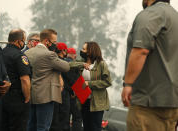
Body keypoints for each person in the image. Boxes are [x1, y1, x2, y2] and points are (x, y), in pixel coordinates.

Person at [121, 0, 178, 130]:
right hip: (172, 105)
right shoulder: (175, 17)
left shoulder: (150, 15)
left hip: (147, 104)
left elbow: (141, 50)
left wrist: (128, 84)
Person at [25, 29, 70, 131]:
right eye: (54, 42)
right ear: (46, 41)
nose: (56, 45)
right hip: (46, 95)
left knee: (31, 126)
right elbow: (66, 67)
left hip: (31, 93)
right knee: (43, 127)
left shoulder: (28, 52)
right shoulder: (50, 54)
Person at [70, 42, 112, 131]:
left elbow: (107, 82)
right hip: (84, 100)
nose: (81, 50)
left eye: (84, 49)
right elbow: (69, 65)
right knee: (86, 127)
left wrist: (89, 83)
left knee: (95, 128)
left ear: (90, 51)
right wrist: (82, 64)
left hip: (97, 103)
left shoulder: (101, 64)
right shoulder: (81, 62)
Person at [1, 29, 31, 131]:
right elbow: (25, 80)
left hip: (2, 96)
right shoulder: (20, 55)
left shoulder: (1, 53)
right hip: (17, 99)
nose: (24, 44)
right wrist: (27, 98)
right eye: (24, 41)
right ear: (19, 41)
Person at [50, 42, 71, 131]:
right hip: (64, 94)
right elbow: (72, 79)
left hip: (53, 93)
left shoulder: (51, 61)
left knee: (53, 119)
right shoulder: (65, 63)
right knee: (64, 119)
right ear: (63, 51)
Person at [66, 48, 83, 131]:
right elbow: (76, 80)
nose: (76, 56)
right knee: (77, 118)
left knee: (65, 118)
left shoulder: (61, 63)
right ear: (73, 55)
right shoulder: (75, 65)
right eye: (75, 54)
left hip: (65, 95)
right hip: (75, 95)